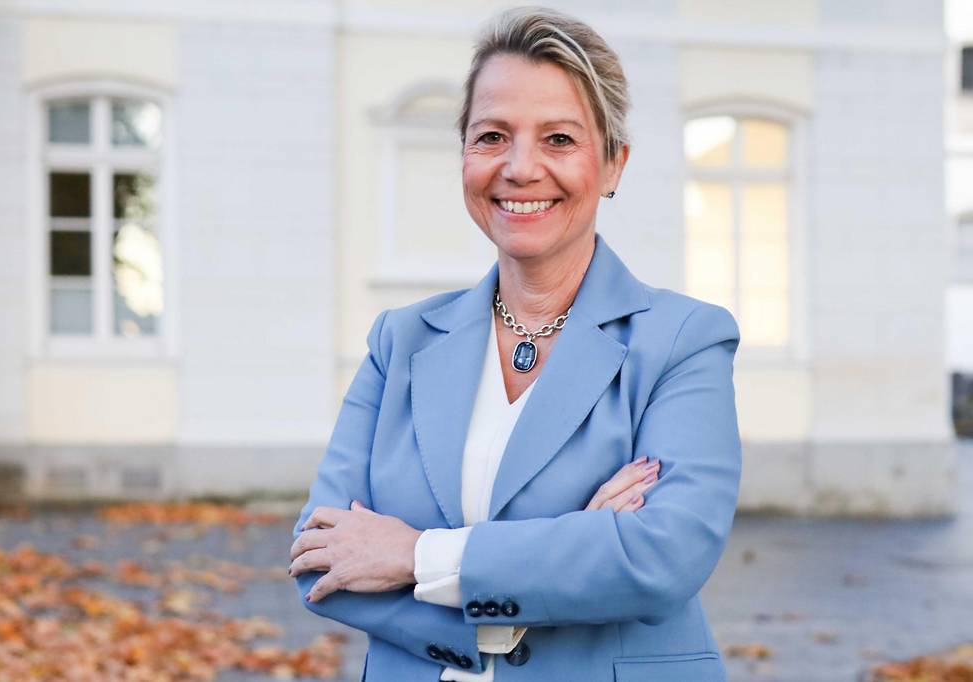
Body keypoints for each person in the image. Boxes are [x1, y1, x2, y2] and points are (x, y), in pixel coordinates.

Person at [288, 6, 741, 681]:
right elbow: (320, 557)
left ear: (613, 164)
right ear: (464, 157)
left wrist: (415, 556)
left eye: (559, 139)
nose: (521, 167)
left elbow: (660, 558)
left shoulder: (683, 342)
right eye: (492, 136)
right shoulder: (400, 342)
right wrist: (571, 559)